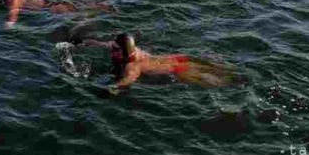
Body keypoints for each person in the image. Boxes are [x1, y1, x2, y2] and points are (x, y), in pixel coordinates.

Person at [75, 33, 235, 94]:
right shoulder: (130, 48)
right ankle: (222, 66)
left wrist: (108, 90)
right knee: (215, 69)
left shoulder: (133, 66)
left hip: (179, 69)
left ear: (125, 52)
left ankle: (238, 83)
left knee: (222, 83)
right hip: (180, 58)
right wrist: (82, 42)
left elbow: (126, 81)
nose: (112, 50)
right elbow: (103, 43)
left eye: (116, 49)